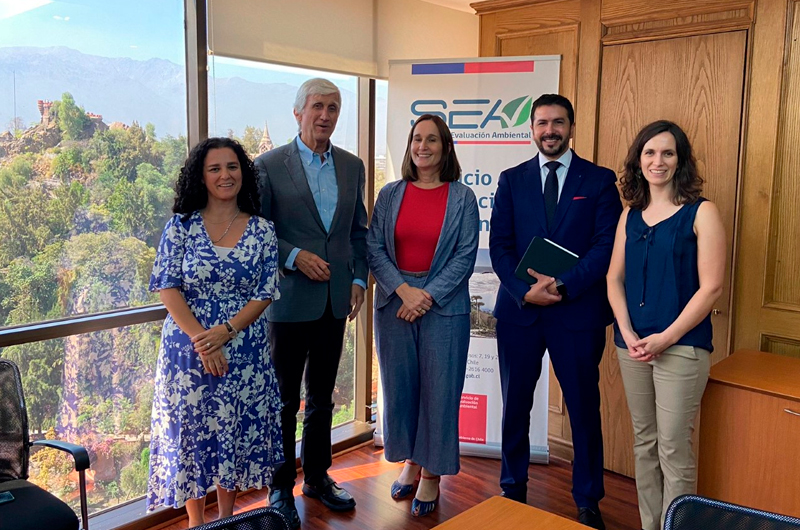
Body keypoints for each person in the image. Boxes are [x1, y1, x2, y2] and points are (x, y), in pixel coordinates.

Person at [489, 94, 622, 529]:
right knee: (515, 406)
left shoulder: (599, 181)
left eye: (558, 122)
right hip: (520, 313)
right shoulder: (512, 180)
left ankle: (588, 499)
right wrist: (524, 291)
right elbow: (499, 246)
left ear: (571, 127)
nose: (550, 130)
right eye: (542, 123)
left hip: (577, 313)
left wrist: (562, 285)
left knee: (583, 409)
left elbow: (605, 246)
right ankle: (513, 489)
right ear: (531, 128)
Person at [147, 137, 284, 527]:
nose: (225, 175)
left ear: (244, 173)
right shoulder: (181, 227)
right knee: (191, 434)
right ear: (201, 177)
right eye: (215, 168)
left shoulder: (263, 230)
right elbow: (167, 287)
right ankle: (195, 523)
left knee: (232, 430)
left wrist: (226, 331)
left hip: (244, 349)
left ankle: (226, 519)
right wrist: (204, 342)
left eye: (232, 166)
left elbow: (265, 292)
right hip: (188, 353)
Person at [254, 78, 368, 528]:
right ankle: (280, 487)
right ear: (298, 112)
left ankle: (317, 477)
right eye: (317, 106)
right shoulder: (267, 165)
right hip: (287, 303)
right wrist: (294, 255)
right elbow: (258, 231)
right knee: (284, 401)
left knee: (322, 398)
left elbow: (357, 231)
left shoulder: (352, 166)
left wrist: (358, 278)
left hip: (335, 302)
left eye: (333, 107)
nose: (325, 115)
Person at [607, 120, 725, 530]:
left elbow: (711, 287)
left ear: (680, 160)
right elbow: (613, 278)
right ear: (638, 161)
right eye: (650, 153)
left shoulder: (702, 212)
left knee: (674, 449)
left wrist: (665, 338)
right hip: (632, 346)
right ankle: (650, 524)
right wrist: (626, 331)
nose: (658, 161)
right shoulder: (630, 215)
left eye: (668, 153)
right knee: (645, 443)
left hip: (682, 347)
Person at [368, 114, 479, 517]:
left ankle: (431, 473)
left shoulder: (462, 197)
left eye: (432, 139)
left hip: (443, 307)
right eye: (417, 138)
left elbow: (465, 255)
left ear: (446, 147)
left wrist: (425, 296)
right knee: (402, 390)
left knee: (439, 392)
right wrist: (403, 291)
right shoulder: (390, 194)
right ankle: (412, 461)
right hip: (394, 304)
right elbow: (374, 247)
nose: (423, 146)